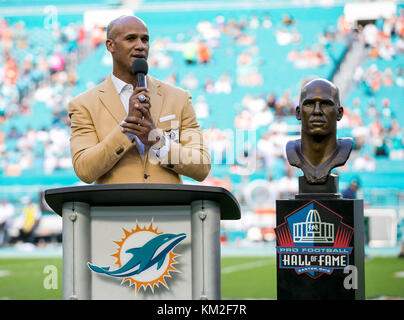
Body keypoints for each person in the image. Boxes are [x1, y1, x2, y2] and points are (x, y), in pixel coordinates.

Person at [68, 16, 210, 184]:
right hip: (116, 209)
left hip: (167, 209)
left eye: (145, 39)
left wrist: (156, 140)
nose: (140, 46)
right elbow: (84, 170)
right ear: (110, 45)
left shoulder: (179, 98)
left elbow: (202, 166)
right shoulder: (84, 105)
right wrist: (127, 128)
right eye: (130, 39)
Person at [286, 78, 353, 184]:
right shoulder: (292, 151)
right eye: (309, 104)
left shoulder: (344, 149)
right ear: (298, 113)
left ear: (339, 113)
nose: (317, 111)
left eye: (326, 104)